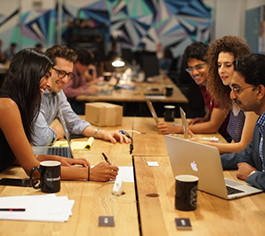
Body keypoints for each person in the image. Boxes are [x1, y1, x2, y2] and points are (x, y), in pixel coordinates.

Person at [0, 48, 118, 181]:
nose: (49, 84)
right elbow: (33, 170)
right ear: (30, 74)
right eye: (46, 76)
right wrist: (89, 173)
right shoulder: (7, 105)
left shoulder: (18, 102)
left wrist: (56, 159)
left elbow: (14, 155)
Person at [33, 45, 130, 146]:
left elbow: (74, 123)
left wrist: (102, 133)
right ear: (46, 69)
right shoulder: (36, 93)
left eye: (69, 75)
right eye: (61, 73)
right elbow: (41, 140)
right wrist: (58, 131)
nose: (65, 80)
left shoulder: (58, 93)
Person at [188, 36, 258, 153]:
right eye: (219, 65)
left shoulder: (249, 101)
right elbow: (234, 142)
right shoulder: (231, 95)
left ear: (241, 65)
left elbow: (243, 147)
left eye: (228, 65)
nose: (221, 70)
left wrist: (202, 145)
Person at [157, 42, 230, 140]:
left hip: (225, 139)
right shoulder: (203, 84)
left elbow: (213, 126)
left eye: (199, 67)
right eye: (190, 68)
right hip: (216, 136)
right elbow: (211, 108)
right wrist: (205, 119)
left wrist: (177, 129)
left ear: (211, 64)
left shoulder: (221, 87)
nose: (194, 73)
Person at [221, 53, 265, 190]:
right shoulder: (261, 121)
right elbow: (247, 155)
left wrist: (251, 174)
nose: (232, 95)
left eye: (237, 89)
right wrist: (208, 160)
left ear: (259, 91)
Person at [63, 48, 98, 114]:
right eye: (86, 65)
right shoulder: (71, 71)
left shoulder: (78, 72)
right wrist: (86, 91)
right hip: (66, 106)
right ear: (78, 63)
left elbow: (83, 85)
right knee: (91, 110)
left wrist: (80, 90)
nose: (87, 68)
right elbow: (66, 91)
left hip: (72, 102)